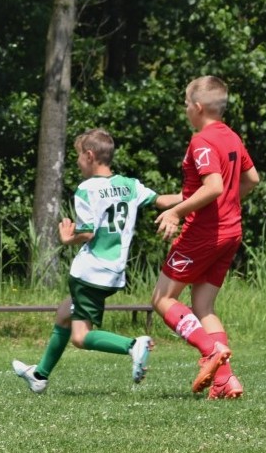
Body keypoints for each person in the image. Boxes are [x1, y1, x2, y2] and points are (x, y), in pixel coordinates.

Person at [13, 128, 181, 393]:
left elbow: (88, 231)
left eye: (78, 156)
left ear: (90, 156)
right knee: (64, 313)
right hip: (113, 273)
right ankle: (40, 375)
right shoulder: (130, 185)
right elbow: (161, 200)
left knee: (80, 337)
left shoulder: (86, 190)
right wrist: (193, 196)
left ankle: (132, 345)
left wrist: (68, 239)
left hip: (89, 272)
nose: (78, 162)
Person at [151, 75, 259, 399]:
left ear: (197, 107)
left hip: (203, 234)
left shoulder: (201, 140)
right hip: (231, 231)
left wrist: (176, 213)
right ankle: (226, 380)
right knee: (204, 305)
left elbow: (212, 187)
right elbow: (251, 179)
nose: (185, 109)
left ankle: (209, 351)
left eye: (186, 104)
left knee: (161, 299)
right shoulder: (232, 137)